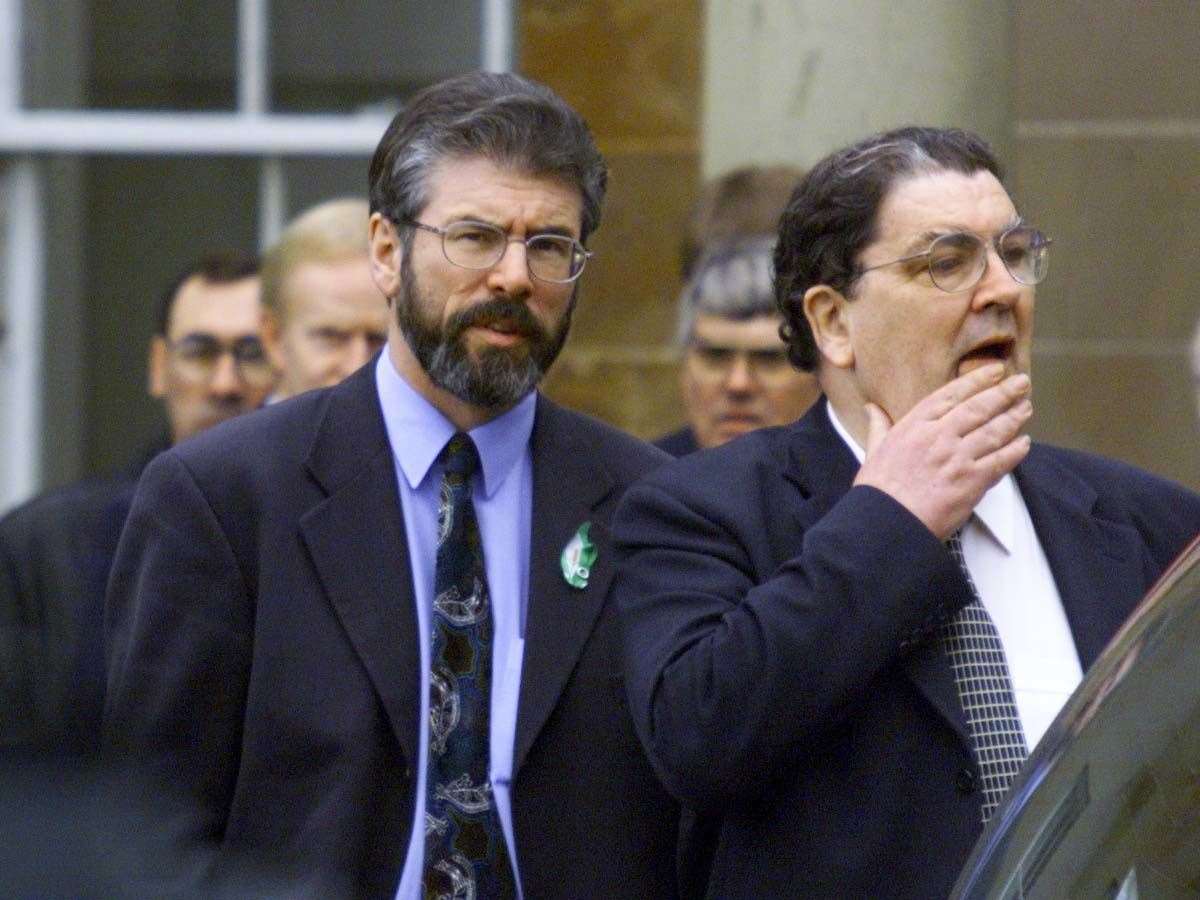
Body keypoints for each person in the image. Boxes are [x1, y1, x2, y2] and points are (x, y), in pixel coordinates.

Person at [103, 72, 681, 899]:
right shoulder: (223, 498)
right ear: (386, 250)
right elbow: (146, 830)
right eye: (476, 236)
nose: (515, 276)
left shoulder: (644, 502)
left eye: (549, 246)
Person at [612, 126, 1200, 899]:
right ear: (832, 322)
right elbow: (700, 743)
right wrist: (890, 523)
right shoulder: (697, 510)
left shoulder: (1147, 523)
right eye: (947, 264)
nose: (1001, 291)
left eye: (1014, 255)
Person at [0, 250, 271, 755]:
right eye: (200, 351)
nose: (226, 383)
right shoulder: (44, 546)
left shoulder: (327, 539)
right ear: (159, 366)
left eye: (252, 353)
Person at [657, 236, 820, 455]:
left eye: (769, 359)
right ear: (683, 369)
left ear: (822, 375)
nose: (738, 384)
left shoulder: (866, 480)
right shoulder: (638, 479)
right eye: (715, 356)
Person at [260, 197, 389, 399]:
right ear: (273, 338)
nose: (356, 367)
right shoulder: (233, 431)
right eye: (332, 337)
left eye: (379, 340)